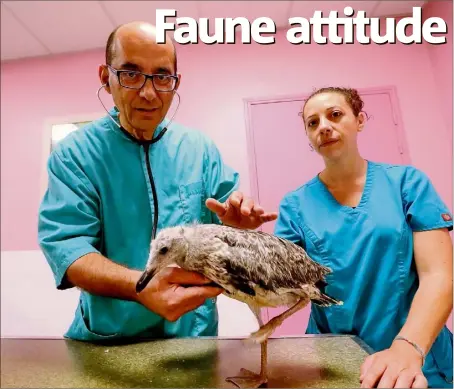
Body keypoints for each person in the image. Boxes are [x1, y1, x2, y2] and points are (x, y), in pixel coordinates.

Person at [38, 21, 277, 342]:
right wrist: (138, 287)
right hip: (112, 337)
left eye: (162, 76)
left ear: (176, 83)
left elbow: (226, 228)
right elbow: (68, 248)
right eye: (131, 74)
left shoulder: (200, 150)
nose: (149, 93)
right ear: (105, 78)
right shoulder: (76, 155)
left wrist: (237, 224)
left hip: (193, 336)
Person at [273, 87, 453, 388]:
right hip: (335, 358)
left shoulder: (407, 184)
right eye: (312, 123)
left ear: (359, 120)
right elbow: (281, 284)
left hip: (417, 351)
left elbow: (439, 276)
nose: (324, 127)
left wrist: (408, 348)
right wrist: (240, 236)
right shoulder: (295, 206)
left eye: (335, 115)